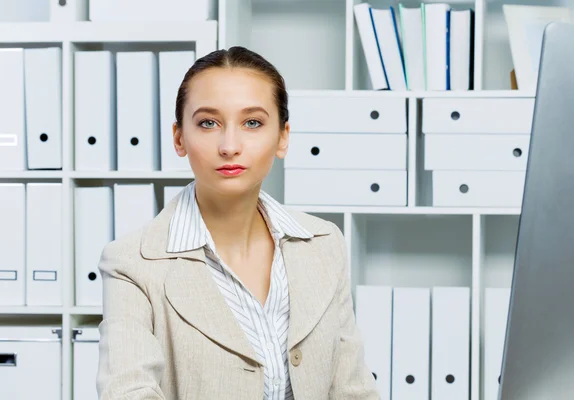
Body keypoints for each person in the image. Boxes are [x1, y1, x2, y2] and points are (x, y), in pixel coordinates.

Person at [96, 46, 380, 400]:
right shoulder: (131, 263)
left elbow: (353, 388)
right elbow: (128, 392)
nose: (230, 146)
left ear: (282, 136)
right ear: (179, 137)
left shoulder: (324, 244)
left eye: (252, 123)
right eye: (208, 123)